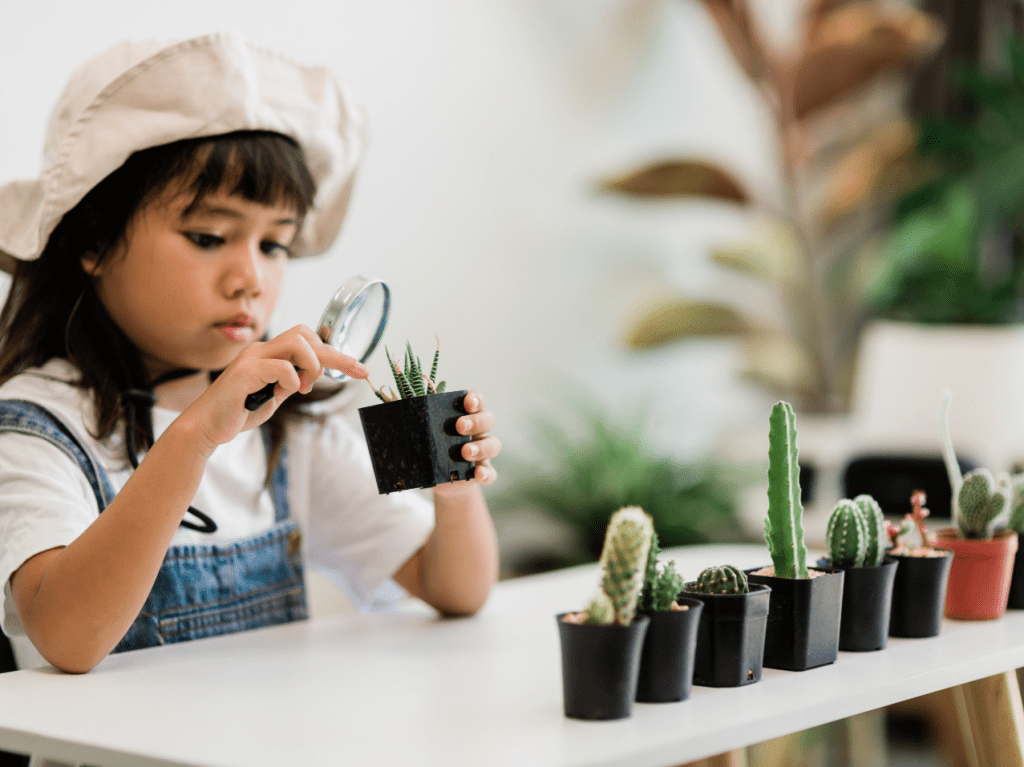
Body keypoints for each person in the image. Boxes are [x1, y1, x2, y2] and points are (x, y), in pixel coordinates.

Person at [0, 32, 501, 677]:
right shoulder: (35, 426)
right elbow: (67, 638)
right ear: (93, 242)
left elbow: (456, 590)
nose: (250, 279)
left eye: (274, 246)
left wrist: (454, 485)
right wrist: (196, 434)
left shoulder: (291, 429)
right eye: (209, 236)